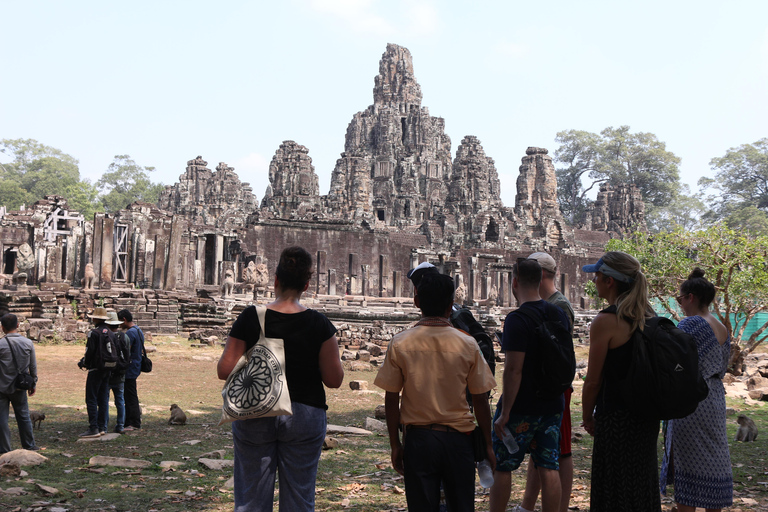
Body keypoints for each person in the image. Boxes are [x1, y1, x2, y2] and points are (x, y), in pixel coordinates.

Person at [217, 246, 344, 512]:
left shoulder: (251, 317)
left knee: (251, 499)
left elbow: (224, 370)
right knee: (299, 499)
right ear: (307, 285)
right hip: (305, 414)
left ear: (275, 280)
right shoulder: (319, 324)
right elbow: (334, 380)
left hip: (255, 411)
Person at [375, 272, 496, 512]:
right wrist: (489, 446)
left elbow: (391, 399)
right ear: (451, 305)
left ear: (417, 301)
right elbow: (480, 400)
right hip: (459, 440)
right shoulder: (468, 344)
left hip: (419, 440)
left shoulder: (400, 343)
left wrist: (395, 443)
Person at [581, 251, 659, 511]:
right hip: (647, 417)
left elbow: (593, 381)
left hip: (616, 419)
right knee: (641, 483)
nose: (594, 281)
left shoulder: (606, 321)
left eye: (597, 275)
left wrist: (587, 416)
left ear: (609, 281)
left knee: (613, 488)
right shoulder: (650, 318)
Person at [489, 259, 568, 512]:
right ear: (539, 280)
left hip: (522, 405)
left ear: (514, 282)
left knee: (503, 465)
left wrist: (505, 412)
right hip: (553, 402)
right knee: (548, 465)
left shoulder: (517, 319)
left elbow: (513, 370)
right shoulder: (558, 313)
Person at [659, 268, 733, 511]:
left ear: (690, 297)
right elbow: (721, 369)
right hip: (714, 398)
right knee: (714, 460)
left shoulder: (691, 323)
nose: (680, 305)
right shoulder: (722, 327)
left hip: (692, 401)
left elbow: (673, 363)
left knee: (687, 465)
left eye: (680, 299)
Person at [514, 252, 575, 512]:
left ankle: (559, 507)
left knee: (559, 451)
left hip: (553, 387)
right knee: (541, 451)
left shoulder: (558, 307)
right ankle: (527, 505)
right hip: (542, 387)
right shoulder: (549, 303)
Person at [0, 313, 38, 453]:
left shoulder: (1, 344)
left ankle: (4, 449)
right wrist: (33, 383)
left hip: (2, 386)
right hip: (20, 386)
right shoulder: (28, 343)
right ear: (17, 325)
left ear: (2, 327)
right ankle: (29, 445)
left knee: (2, 420)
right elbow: (32, 367)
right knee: (23, 416)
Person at [79, 307, 113, 438]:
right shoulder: (110, 332)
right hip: (108, 368)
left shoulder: (94, 333)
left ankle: (94, 427)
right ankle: (102, 426)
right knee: (103, 398)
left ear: (95, 318)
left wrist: (85, 363)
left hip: (96, 368)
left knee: (91, 398)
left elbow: (89, 352)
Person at [118, 309, 144, 432]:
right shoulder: (138, 330)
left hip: (130, 368)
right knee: (130, 394)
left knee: (129, 396)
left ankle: (133, 422)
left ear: (124, 319)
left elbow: (125, 351)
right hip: (136, 366)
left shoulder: (129, 334)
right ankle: (131, 419)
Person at [105, 311, 130, 434]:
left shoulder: (105, 336)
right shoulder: (124, 337)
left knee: (104, 400)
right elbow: (127, 355)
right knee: (120, 400)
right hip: (120, 372)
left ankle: (103, 425)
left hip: (107, 373)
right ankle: (120, 425)